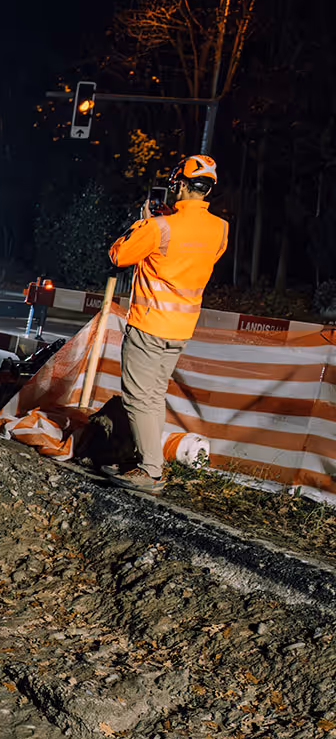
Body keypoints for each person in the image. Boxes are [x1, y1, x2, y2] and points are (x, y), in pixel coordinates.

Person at [101, 154, 228, 493]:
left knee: (138, 399)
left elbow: (119, 255)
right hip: (181, 328)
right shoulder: (220, 229)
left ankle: (150, 471)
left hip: (150, 324)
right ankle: (143, 459)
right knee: (153, 397)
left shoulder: (160, 227)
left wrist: (143, 223)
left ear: (181, 185)